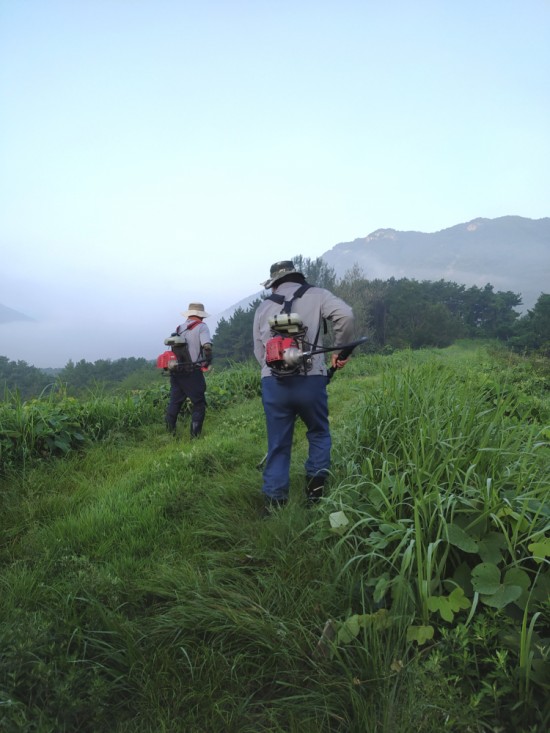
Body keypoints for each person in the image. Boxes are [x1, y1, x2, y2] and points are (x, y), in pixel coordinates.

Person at [253, 260, 355, 510]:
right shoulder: (318, 294)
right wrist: (340, 351)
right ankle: (315, 493)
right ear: (298, 277)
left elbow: (259, 351)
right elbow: (346, 316)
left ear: (274, 283)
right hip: (311, 379)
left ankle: (274, 502)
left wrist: (272, 369)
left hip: (273, 383)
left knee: (278, 442)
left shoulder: (263, 307)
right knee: (318, 432)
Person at [165, 302, 213, 438]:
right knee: (199, 403)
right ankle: (195, 436)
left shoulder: (179, 328)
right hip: (192, 371)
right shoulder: (202, 327)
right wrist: (208, 361)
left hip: (176, 371)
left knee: (175, 402)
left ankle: (170, 434)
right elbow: (207, 346)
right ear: (201, 316)